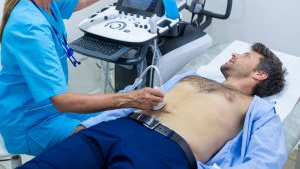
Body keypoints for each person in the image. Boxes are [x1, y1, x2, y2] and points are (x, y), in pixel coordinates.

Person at [0, 0, 165, 156]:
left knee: (120, 119)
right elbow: (62, 101)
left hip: (51, 112)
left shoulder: (44, 2)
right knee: (112, 142)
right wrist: (131, 98)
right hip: (32, 125)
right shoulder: (30, 28)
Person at [19, 43, 288, 169]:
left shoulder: (258, 109)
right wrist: (86, 125)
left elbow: (267, 160)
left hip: (164, 151)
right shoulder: (191, 76)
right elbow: (135, 102)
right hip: (117, 129)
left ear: (259, 75)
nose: (235, 53)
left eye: (246, 55)